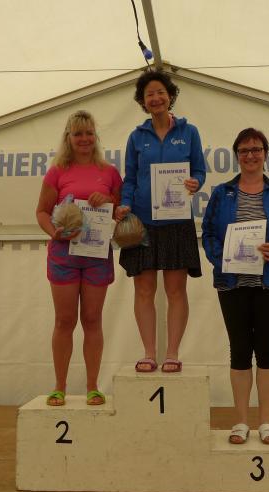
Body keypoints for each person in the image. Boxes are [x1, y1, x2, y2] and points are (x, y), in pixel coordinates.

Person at [201, 128, 269, 445]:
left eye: (256, 149)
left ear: (265, 154)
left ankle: (266, 422)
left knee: (268, 349)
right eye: (244, 150)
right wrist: (223, 259)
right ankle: (241, 422)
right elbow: (208, 234)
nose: (250, 155)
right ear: (237, 155)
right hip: (232, 283)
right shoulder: (222, 193)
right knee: (240, 350)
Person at [115, 70, 206, 373]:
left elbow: (199, 171)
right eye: (149, 94)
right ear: (143, 101)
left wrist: (196, 182)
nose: (155, 98)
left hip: (176, 220)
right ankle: (149, 353)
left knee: (176, 290)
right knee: (144, 291)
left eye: (160, 92)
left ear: (170, 96)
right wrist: (125, 204)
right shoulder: (136, 137)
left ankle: (173, 354)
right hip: (142, 223)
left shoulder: (189, 132)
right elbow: (129, 178)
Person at [36, 110, 123, 406]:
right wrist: (55, 233)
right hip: (64, 255)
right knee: (64, 320)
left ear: (95, 136)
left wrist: (109, 200)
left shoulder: (109, 172)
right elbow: (42, 211)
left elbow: (121, 210)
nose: (84, 139)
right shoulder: (57, 171)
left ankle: (92, 387)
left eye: (88, 133)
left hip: (97, 254)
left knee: (92, 319)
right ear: (68, 138)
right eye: (78, 134)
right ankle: (59, 386)